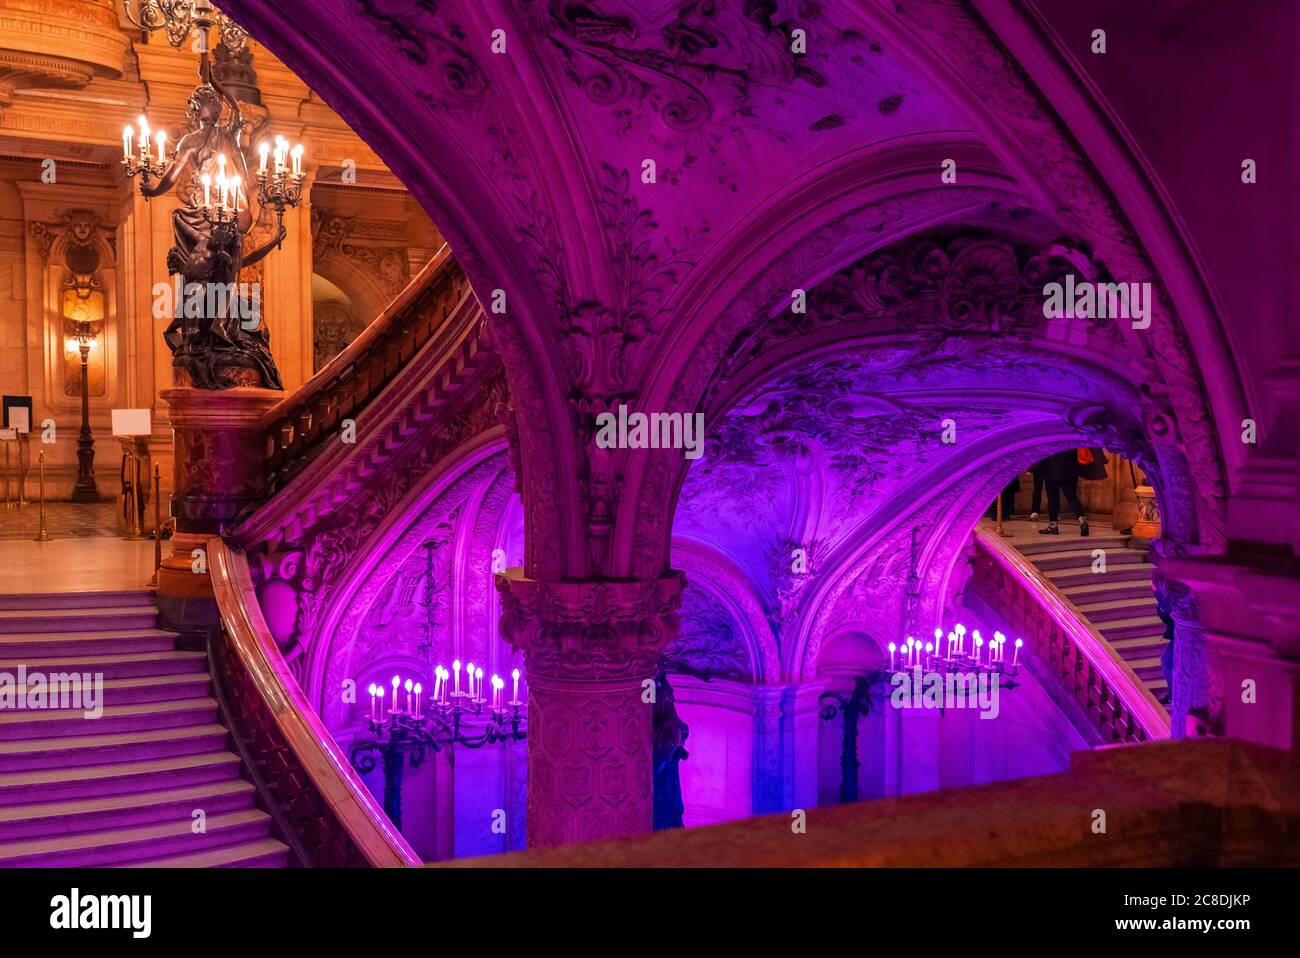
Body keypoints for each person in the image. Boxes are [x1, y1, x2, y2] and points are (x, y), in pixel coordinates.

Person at [1038, 448, 1089, 536]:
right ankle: (1082, 520)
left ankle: (1053, 526)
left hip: (1052, 469)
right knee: (1072, 497)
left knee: (1053, 498)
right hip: (1071, 469)